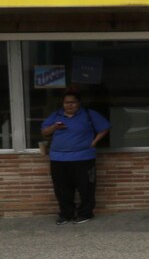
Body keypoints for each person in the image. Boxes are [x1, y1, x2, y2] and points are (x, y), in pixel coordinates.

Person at [40, 88, 110, 224]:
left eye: (73, 102)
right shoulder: (56, 115)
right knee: (62, 189)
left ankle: (85, 214)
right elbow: (44, 132)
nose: (69, 105)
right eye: (66, 103)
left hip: (83, 158)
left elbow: (105, 127)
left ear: (79, 103)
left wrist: (94, 142)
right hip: (58, 159)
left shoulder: (89, 114)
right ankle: (66, 215)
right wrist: (54, 127)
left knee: (85, 187)